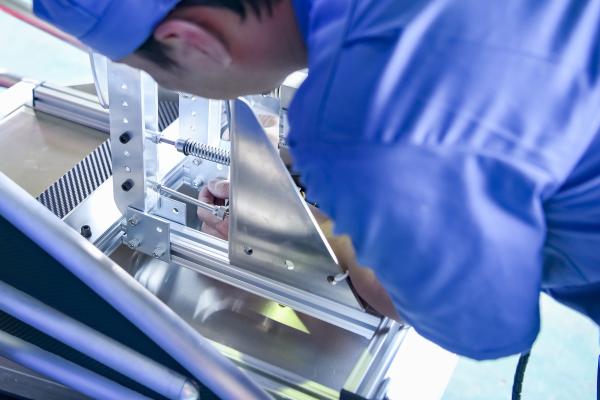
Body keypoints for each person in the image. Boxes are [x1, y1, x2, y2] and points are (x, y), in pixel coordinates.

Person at [33, 0, 600, 360]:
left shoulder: (357, 122)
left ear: (192, 41)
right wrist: (313, 181)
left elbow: (486, 328)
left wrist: (322, 233)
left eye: (151, 72)